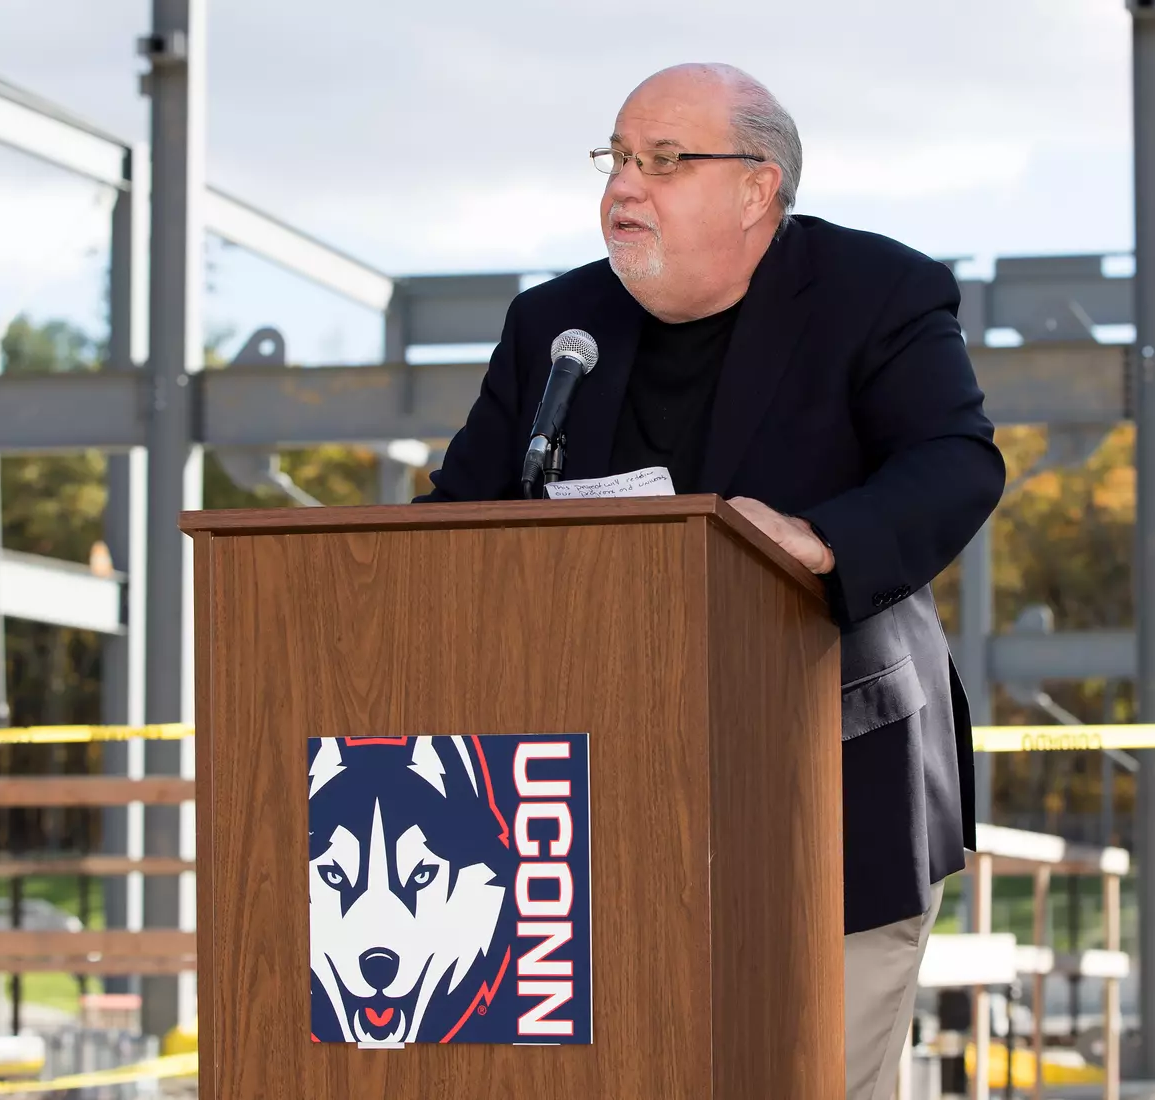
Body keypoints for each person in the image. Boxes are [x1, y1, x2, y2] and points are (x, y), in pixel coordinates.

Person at [416, 62, 1004, 1100]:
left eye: (665, 161)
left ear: (757, 187)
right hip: (586, 815)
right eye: (617, 159)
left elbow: (956, 463)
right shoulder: (556, 325)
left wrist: (819, 538)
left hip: (828, 792)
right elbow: (453, 521)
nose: (623, 188)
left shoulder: (877, 293)